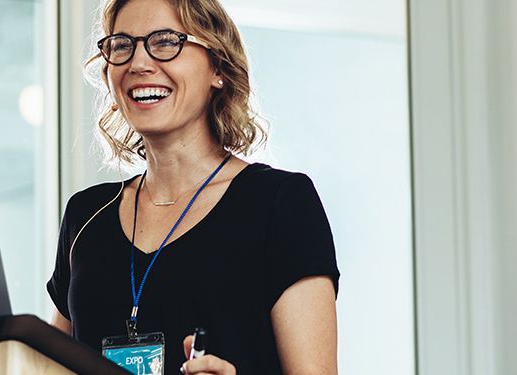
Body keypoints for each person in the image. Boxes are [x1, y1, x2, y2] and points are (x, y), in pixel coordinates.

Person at [46, 0, 340, 373]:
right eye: (121, 45)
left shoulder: (281, 203)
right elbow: (46, 365)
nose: (138, 63)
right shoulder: (86, 215)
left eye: (166, 42)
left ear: (218, 66)